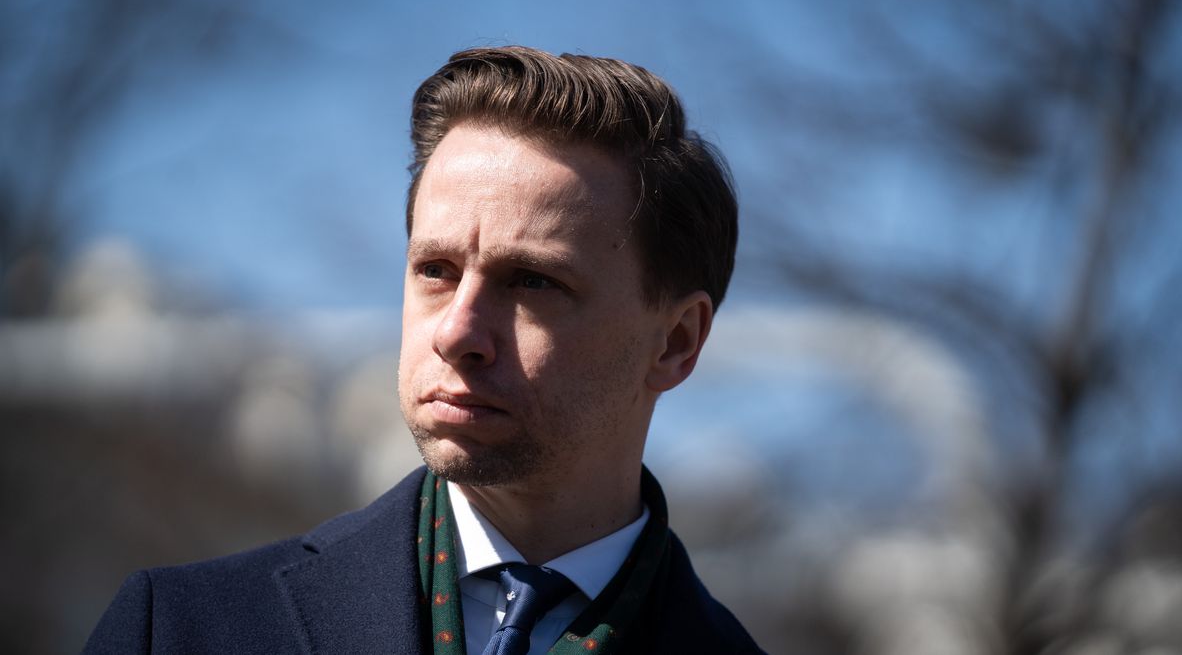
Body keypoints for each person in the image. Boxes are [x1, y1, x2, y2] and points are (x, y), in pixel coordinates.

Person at [84, 45, 763, 654]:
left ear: (675, 342)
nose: (455, 332)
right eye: (435, 270)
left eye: (532, 281)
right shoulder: (181, 629)